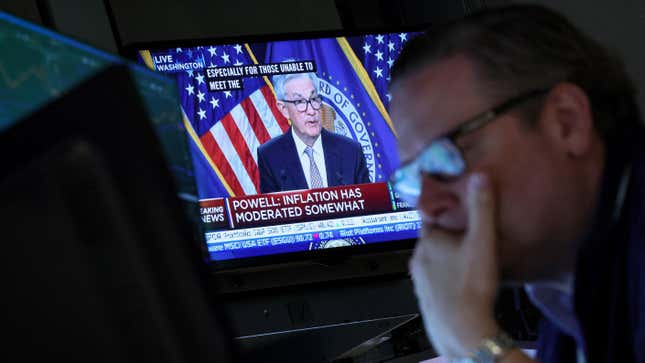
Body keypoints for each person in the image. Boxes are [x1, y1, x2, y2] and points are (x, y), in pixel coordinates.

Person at [388, 4, 644, 363]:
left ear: (566, 123)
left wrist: (474, 341)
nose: (427, 205)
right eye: (414, 177)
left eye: (446, 157)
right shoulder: (563, 295)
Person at [257, 70, 370, 193]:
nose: (311, 111)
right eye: (299, 102)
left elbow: (370, 205)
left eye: (314, 99)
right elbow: (274, 210)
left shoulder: (351, 151)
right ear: (284, 109)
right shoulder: (270, 156)